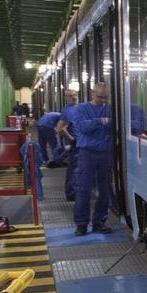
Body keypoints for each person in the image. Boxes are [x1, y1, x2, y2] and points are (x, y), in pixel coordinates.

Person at [71, 84, 113, 235]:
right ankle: (81, 224)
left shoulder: (109, 108)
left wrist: (104, 123)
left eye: (105, 98)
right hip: (86, 153)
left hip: (105, 153)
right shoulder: (81, 109)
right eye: (100, 97)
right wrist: (99, 122)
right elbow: (82, 127)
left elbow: (114, 125)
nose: (103, 100)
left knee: (105, 190)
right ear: (92, 93)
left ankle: (99, 222)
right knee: (84, 189)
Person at [61, 89, 79, 201]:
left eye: (75, 95)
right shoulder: (68, 111)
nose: (73, 97)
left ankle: (74, 191)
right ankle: (71, 193)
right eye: (70, 96)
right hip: (76, 145)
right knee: (74, 168)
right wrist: (72, 140)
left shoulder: (77, 108)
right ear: (66, 98)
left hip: (80, 143)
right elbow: (61, 129)